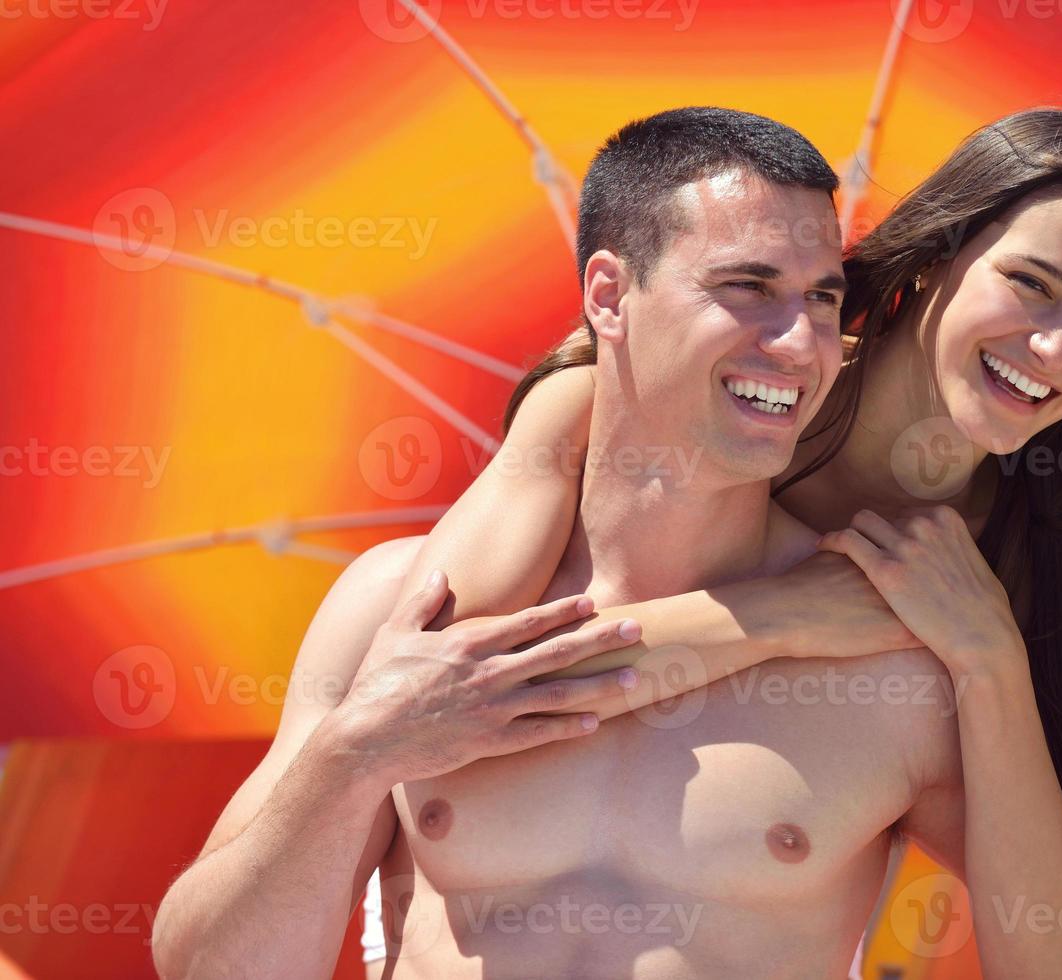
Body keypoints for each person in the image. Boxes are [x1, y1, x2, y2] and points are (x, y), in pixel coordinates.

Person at [354, 106, 1062, 978]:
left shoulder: (1026, 560)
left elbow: (1054, 955)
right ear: (939, 255)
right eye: (1030, 284)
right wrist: (787, 612)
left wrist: (986, 656)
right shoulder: (741, 372)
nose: (1052, 347)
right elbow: (462, 648)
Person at [156, 107, 1010, 978]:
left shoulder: (881, 643)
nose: (800, 342)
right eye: (748, 287)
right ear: (607, 295)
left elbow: (1061, 951)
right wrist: (357, 752)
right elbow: (207, 969)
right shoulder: (399, 609)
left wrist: (994, 658)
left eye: (823, 298)